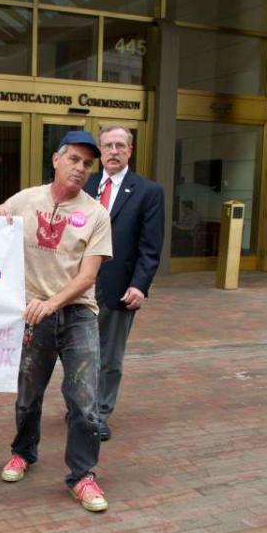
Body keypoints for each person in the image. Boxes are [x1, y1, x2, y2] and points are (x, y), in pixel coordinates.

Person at [0, 131, 113, 512]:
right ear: (56, 159)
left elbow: (88, 275)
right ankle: (23, 452)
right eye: (74, 159)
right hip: (31, 312)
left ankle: (82, 475)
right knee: (28, 392)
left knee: (84, 399)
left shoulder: (96, 213)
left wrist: (53, 302)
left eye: (87, 164)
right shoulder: (27, 199)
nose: (80, 168)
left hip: (76, 315)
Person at [83, 125, 165, 441]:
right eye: (107, 146)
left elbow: (150, 245)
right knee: (78, 352)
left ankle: (100, 414)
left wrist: (140, 285)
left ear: (130, 150)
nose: (113, 151)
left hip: (118, 287)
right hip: (79, 285)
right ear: (100, 151)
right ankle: (81, 406)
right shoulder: (85, 185)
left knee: (109, 356)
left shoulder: (147, 191)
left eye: (120, 145)